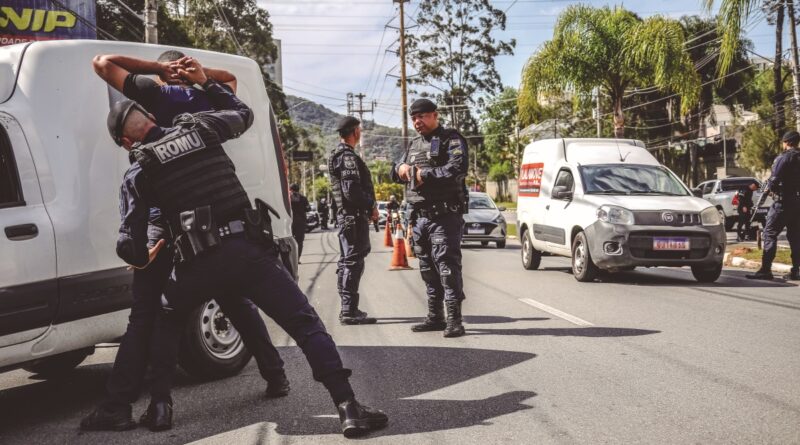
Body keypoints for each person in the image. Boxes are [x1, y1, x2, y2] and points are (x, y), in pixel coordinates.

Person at [85, 61, 388, 437]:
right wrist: (206, 82)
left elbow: (129, 245)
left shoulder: (139, 169)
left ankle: (160, 406)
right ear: (149, 116)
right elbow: (243, 114)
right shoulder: (199, 127)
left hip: (196, 264)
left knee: (165, 317)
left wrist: (142, 256)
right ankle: (348, 407)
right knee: (304, 323)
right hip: (247, 251)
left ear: (127, 143)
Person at [84, 53, 289, 432]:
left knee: (151, 314)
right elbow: (230, 83)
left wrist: (159, 71)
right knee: (233, 297)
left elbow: (103, 62)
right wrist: (200, 76)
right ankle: (275, 373)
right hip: (208, 221)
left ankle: (130, 405)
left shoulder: (155, 96)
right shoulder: (204, 100)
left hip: (162, 224)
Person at [391, 99, 469, 338]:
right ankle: (435, 317)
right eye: (414, 118)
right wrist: (400, 169)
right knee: (427, 268)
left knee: (447, 267)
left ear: (435, 115)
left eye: (422, 116)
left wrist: (425, 174)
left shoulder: (450, 138)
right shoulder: (414, 144)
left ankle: (455, 320)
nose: (417, 122)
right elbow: (395, 170)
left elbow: (457, 168)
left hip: (444, 215)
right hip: (420, 218)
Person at [328, 116, 380, 325]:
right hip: (352, 217)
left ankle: (348, 308)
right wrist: (371, 205)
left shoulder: (340, 154)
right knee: (352, 261)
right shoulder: (347, 157)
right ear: (356, 132)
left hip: (348, 217)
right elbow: (351, 191)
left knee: (348, 261)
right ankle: (348, 311)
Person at [746, 130, 800, 281]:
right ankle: (796, 270)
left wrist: (768, 190)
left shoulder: (784, 158)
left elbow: (774, 180)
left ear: (786, 142)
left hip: (783, 203)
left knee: (769, 233)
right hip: (797, 204)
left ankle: (765, 270)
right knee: (796, 237)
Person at [290, 184, 311, 260]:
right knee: (299, 241)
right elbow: (308, 209)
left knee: (289, 241)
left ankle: (291, 259)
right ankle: (297, 258)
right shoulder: (303, 198)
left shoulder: (288, 198)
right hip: (301, 223)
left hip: (290, 223)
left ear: (291, 190)